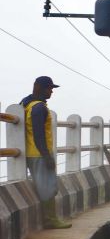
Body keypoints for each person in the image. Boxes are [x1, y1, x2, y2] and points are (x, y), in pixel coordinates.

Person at [22, 76, 71, 229]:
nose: (51, 92)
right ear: (40, 88)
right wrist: (47, 156)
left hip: (32, 152)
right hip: (39, 154)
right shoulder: (39, 107)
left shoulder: (27, 104)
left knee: (45, 185)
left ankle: (50, 218)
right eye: (49, 88)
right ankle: (50, 220)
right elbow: (38, 134)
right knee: (48, 187)